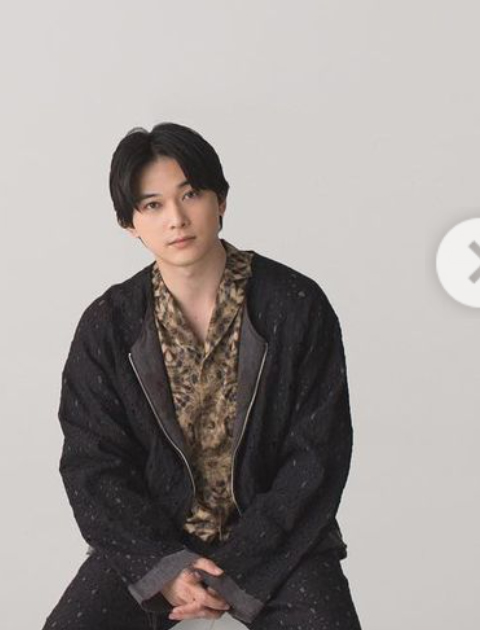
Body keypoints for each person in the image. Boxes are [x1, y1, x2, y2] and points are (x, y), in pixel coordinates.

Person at [42, 123, 362, 629]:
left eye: (190, 194)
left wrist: (234, 573)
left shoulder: (295, 305)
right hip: (152, 544)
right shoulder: (108, 325)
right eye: (152, 205)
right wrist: (163, 568)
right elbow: (93, 467)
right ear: (129, 223)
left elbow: (317, 456)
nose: (176, 219)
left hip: (282, 545)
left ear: (221, 200)